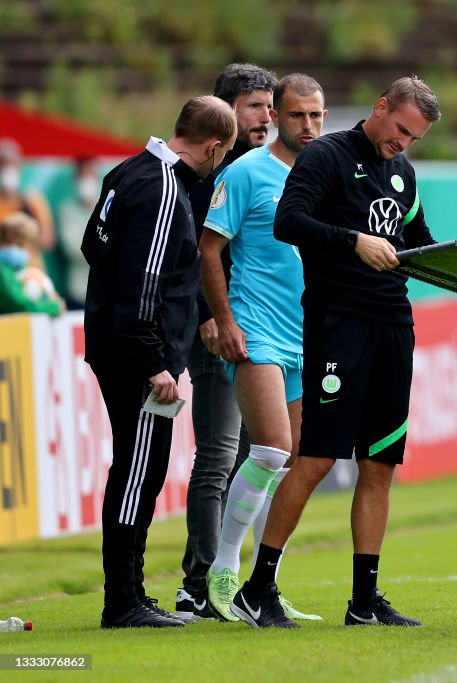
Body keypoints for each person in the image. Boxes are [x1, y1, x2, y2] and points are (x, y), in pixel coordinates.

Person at [232, 76, 457, 629]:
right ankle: (257, 589)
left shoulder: (402, 172)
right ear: (380, 108)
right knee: (317, 457)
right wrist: (353, 240)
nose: (403, 143)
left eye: (414, 137)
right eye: (400, 129)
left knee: (380, 463)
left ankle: (363, 601)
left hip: (392, 326)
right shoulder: (326, 155)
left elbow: (419, 246)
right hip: (338, 324)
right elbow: (288, 222)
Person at [82, 96, 237, 628]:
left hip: (113, 340)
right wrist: (155, 361)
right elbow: (143, 282)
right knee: (137, 474)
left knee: (136, 468)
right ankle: (123, 600)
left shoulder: (126, 170)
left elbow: (92, 246)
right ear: (215, 147)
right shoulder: (166, 189)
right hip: (139, 355)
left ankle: (129, 595)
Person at [199, 73, 327, 623]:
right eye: (297, 115)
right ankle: (223, 570)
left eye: (317, 116)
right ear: (275, 115)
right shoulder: (246, 172)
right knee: (271, 449)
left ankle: (262, 583)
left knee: (298, 462)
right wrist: (223, 320)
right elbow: (208, 250)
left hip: (308, 333)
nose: (308, 125)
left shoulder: (328, 174)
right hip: (256, 329)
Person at [175, 63, 277, 623]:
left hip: (263, 331)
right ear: (225, 112)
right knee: (219, 456)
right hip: (220, 328)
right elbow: (196, 253)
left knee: (251, 458)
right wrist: (214, 316)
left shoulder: (269, 167)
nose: (266, 116)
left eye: (269, 105)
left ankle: (233, 582)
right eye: (255, 105)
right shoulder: (210, 175)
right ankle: (198, 585)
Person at [0, 139, 55, 267]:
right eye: (3, 165)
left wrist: (28, 225)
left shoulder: (33, 200)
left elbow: (47, 241)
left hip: (31, 271)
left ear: (20, 167)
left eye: (12, 165)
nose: (8, 170)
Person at [57, 157, 102, 309]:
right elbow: (73, 250)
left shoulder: (107, 208)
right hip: (78, 292)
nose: (87, 180)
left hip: (105, 292)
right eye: (83, 176)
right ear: (76, 180)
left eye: (91, 175)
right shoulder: (67, 210)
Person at [0, 211, 64, 316]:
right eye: (19, 245)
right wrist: (52, 307)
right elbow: (19, 305)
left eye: (25, 246)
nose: (22, 251)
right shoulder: (2, 270)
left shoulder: (19, 267)